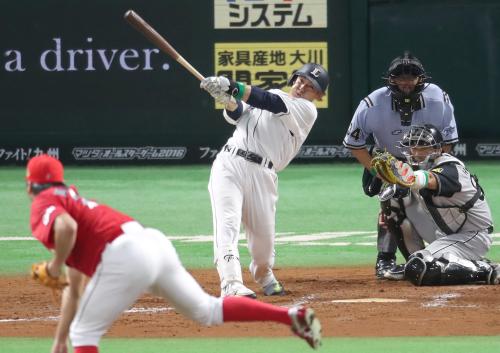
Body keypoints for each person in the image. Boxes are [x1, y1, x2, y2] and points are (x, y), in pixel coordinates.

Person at [25, 154, 322, 353]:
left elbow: (64, 229)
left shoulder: (45, 200)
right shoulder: (73, 199)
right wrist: (60, 339)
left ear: (29, 185)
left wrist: (54, 268)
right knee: (207, 310)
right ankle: (290, 317)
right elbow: (74, 288)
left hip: (124, 255)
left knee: (85, 334)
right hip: (152, 243)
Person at [199, 63, 329, 298]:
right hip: (229, 164)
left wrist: (231, 86)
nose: (302, 87)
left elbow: (268, 101)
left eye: (311, 87)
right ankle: (231, 283)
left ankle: (263, 274)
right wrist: (227, 99)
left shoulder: (306, 111)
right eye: (301, 80)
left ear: (318, 96)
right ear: (294, 79)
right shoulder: (272, 95)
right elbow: (238, 114)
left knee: (263, 248)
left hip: (263, 175)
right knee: (227, 225)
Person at [342, 51, 459, 279]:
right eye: (400, 77)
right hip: (390, 160)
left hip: (427, 160)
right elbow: (353, 143)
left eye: (411, 76)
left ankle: (443, 253)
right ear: (391, 79)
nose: (406, 82)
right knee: (390, 204)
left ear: (421, 78)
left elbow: (448, 143)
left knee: (436, 205)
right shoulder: (372, 103)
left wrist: (431, 170)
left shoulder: (438, 98)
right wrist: (378, 170)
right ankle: (385, 260)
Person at [382, 124, 497, 285]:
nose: (415, 153)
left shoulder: (451, 168)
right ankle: (418, 259)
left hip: (472, 236)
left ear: (439, 149)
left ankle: (486, 270)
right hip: (445, 231)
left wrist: (409, 178)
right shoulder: (419, 167)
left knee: (419, 268)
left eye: (422, 147)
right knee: (393, 199)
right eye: (412, 147)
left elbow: (429, 179)